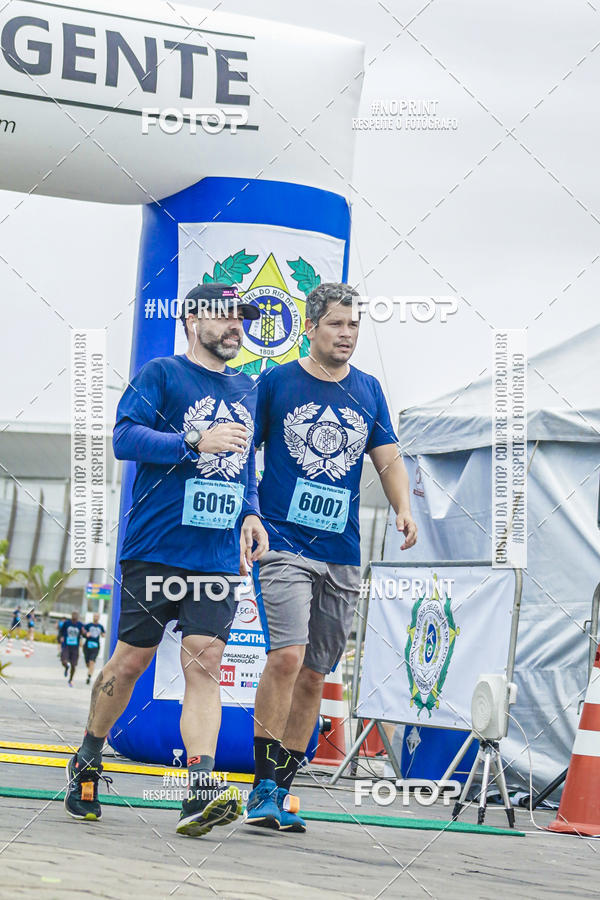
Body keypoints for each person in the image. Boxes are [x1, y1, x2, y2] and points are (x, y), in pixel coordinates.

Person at [64, 283, 268, 837]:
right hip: (156, 549)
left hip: (218, 555)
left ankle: (198, 792)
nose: (236, 326)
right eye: (225, 316)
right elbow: (124, 438)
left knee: (204, 664)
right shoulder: (161, 373)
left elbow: (246, 464)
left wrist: (251, 513)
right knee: (130, 662)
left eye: (242, 318)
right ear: (192, 318)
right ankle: (87, 757)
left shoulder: (249, 388)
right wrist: (192, 442)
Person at [246, 283, 417, 832]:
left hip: (341, 551)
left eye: (355, 326)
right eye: (337, 325)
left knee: (317, 675)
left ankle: (281, 790)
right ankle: (259, 787)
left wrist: (403, 509)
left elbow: (388, 457)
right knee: (287, 658)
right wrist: (247, 512)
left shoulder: (367, 390)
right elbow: (244, 448)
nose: (347, 335)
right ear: (311, 327)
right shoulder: (276, 382)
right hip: (283, 544)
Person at [59, 611, 85, 686]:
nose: (74, 617)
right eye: (73, 615)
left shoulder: (80, 625)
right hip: (66, 646)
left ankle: (71, 679)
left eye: (76, 616)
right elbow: (61, 631)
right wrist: (61, 637)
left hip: (75, 647)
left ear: (78, 617)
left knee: (74, 665)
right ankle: (66, 667)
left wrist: (84, 633)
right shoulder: (67, 623)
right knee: (64, 661)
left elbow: (84, 634)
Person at [82, 613, 105, 685]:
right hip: (87, 646)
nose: (96, 617)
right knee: (87, 663)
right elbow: (83, 632)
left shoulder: (100, 626)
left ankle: (89, 676)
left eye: (97, 616)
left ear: (99, 618)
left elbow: (103, 634)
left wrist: (103, 634)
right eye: (95, 616)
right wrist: (86, 634)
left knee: (92, 662)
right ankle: (90, 670)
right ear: (93, 617)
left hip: (95, 647)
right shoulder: (88, 625)